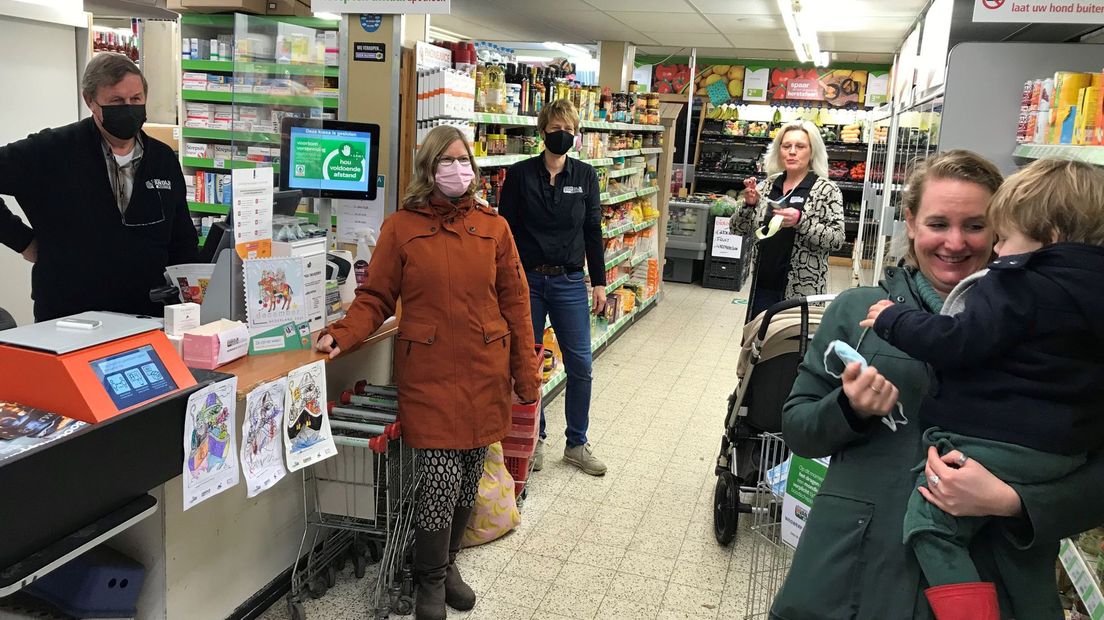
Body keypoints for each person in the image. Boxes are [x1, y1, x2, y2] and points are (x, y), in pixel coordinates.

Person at [770, 150, 1104, 620]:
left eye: (975, 225)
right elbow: (798, 429)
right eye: (937, 223)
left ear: (1006, 229)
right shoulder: (860, 312)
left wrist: (1015, 502)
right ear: (910, 222)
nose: (955, 242)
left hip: (991, 578)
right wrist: (849, 408)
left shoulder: (1070, 332)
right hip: (853, 572)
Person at [315, 125, 541, 620]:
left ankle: (449, 563)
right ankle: (429, 581)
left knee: (465, 481)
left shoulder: (495, 229)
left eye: (465, 161)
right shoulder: (401, 227)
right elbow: (375, 297)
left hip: (485, 371)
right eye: (447, 162)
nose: (458, 170)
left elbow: (517, 303)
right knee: (437, 480)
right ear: (428, 169)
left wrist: (526, 376)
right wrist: (343, 333)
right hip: (430, 374)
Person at [0, 52, 198, 322]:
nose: (129, 107)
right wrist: (22, 241)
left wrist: (193, 303)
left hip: (147, 315)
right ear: (90, 101)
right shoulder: (50, 150)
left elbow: (181, 238)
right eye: (117, 101)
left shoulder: (162, 159)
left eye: (136, 99)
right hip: (71, 318)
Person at [498, 99, 607, 476]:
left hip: (570, 281)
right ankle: (534, 439)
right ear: (543, 131)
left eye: (570, 128)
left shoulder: (586, 176)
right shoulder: (519, 175)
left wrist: (601, 282)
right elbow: (505, 233)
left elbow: (593, 231)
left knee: (581, 364)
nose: (564, 134)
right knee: (527, 364)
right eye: (557, 126)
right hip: (526, 281)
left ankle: (577, 443)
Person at [712, 119, 844, 321]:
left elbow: (836, 239)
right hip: (763, 284)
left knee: (792, 347)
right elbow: (736, 228)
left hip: (802, 290)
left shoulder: (826, 190)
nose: (792, 152)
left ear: (812, 151)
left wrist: (801, 221)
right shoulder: (768, 185)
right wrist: (748, 205)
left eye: (800, 146)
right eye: (786, 146)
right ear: (779, 150)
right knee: (760, 343)